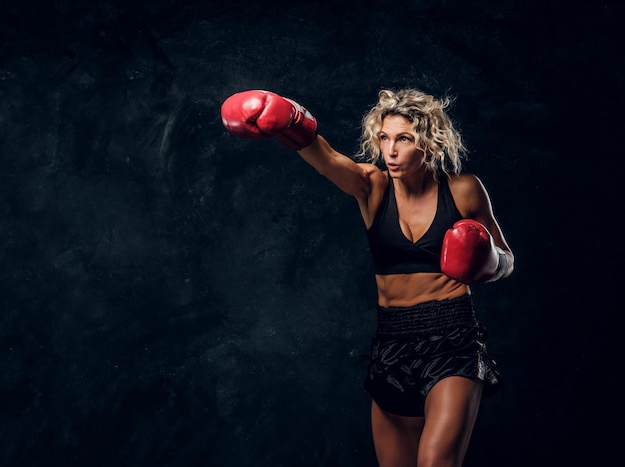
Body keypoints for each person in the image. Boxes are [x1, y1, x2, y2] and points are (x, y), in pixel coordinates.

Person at [220, 88, 514, 467]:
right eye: (384, 138)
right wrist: (288, 124)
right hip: (391, 341)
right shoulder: (371, 187)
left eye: (404, 139)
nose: (390, 150)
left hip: (451, 340)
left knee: (436, 462)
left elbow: (507, 260)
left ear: (428, 141)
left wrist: (483, 259)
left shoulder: (463, 190)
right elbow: (326, 160)